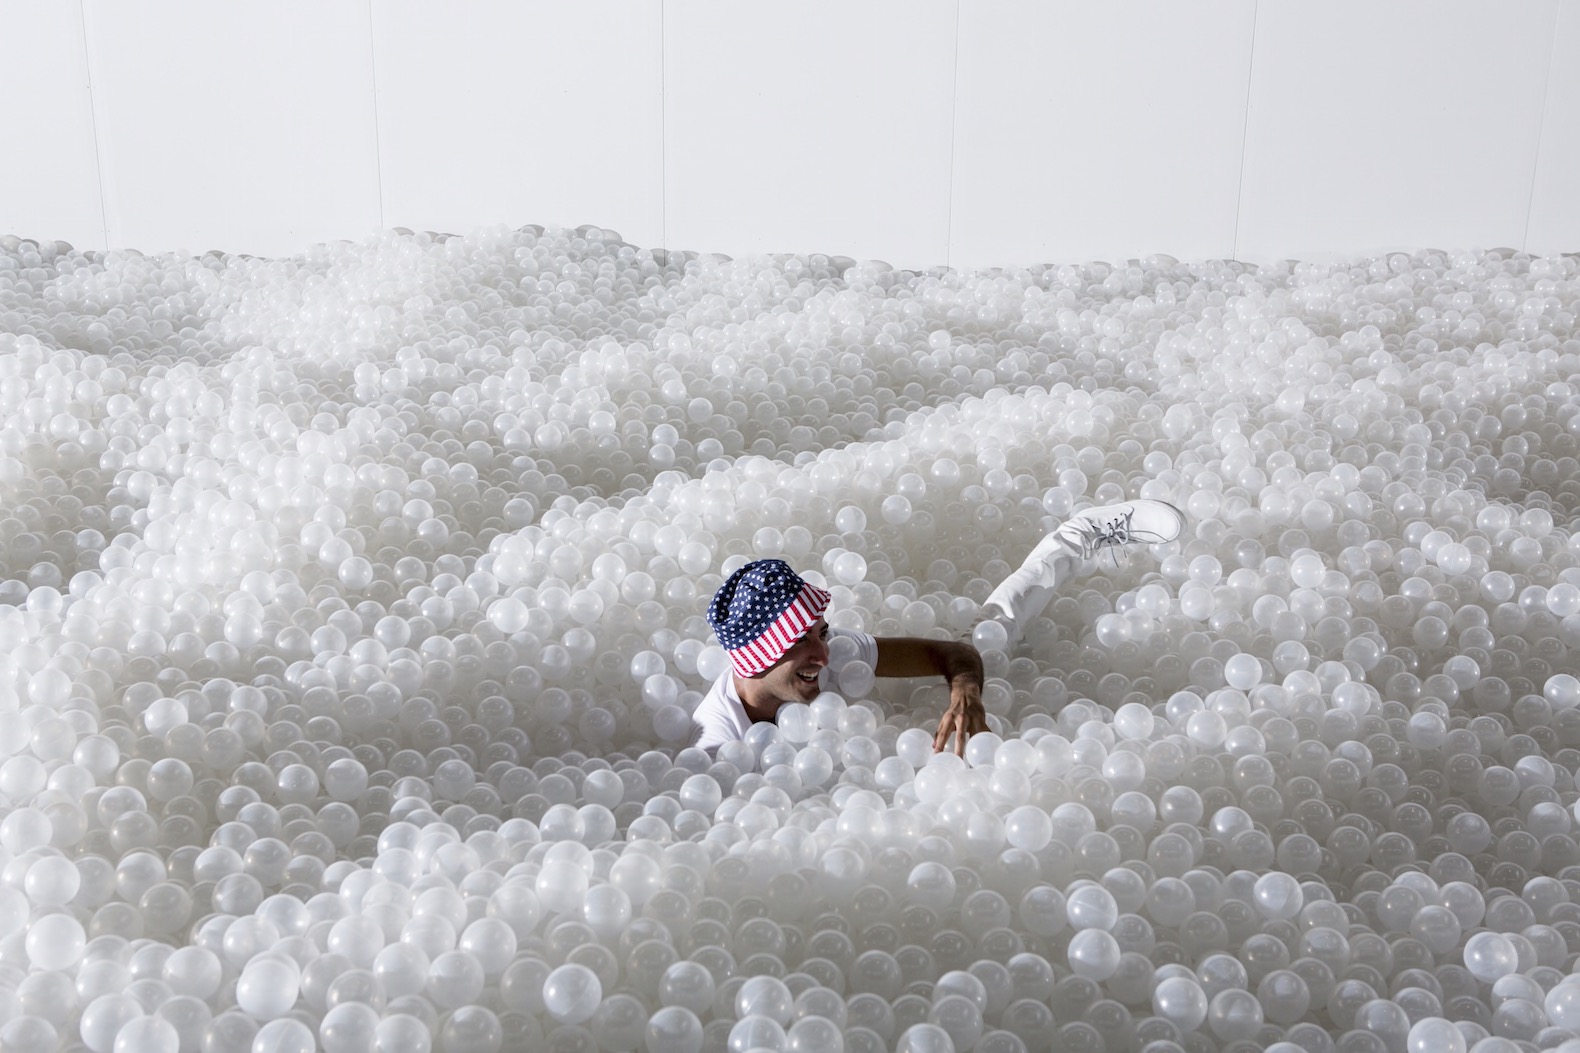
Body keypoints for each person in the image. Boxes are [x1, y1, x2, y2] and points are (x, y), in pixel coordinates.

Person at [689, 499, 1185, 756]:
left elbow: (956, 654)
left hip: (886, 720)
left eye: (821, 631)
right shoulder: (721, 742)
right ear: (757, 659)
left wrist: (965, 692)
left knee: (988, 639)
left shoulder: (835, 653)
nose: (823, 653)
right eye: (800, 643)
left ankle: (1075, 537)